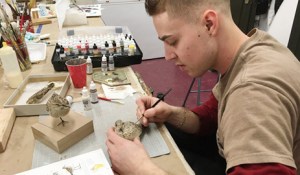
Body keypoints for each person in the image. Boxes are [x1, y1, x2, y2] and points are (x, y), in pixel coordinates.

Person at [106, 0, 300, 174]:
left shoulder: (252, 92)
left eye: (173, 41)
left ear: (209, 24)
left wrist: (141, 169)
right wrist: (171, 113)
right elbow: (212, 118)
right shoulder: (254, 48)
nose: (167, 56)